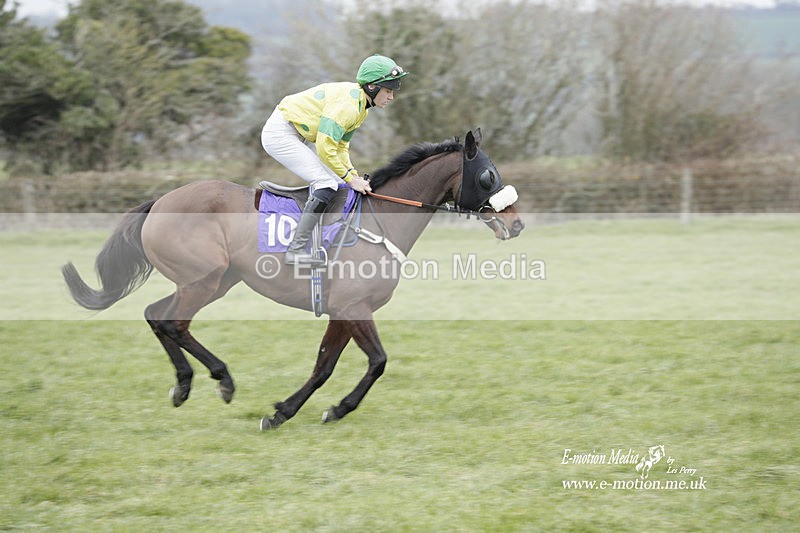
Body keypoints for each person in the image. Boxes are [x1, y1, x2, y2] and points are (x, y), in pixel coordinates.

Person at [261, 54, 409, 265]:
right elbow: (325, 147)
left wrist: (353, 176)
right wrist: (350, 179)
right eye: (388, 90)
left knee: (338, 182)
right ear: (373, 88)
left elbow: (341, 147)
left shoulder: (361, 108)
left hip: (298, 133)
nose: (391, 97)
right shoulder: (348, 106)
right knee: (327, 182)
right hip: (280, 134)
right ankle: (296, 249)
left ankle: (323, 238)